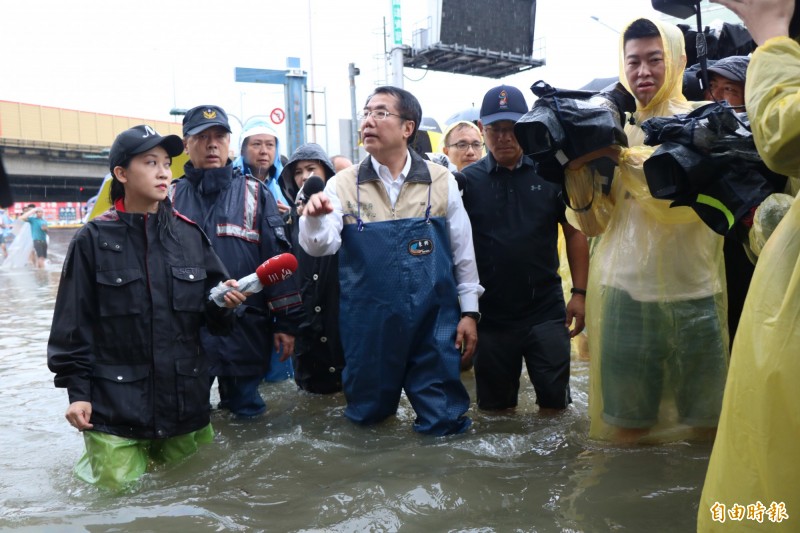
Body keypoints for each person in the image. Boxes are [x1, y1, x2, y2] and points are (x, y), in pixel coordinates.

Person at [47, 125, 247, 491]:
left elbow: (215, 323)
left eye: (167, 163)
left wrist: (226, 305)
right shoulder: (92, 241)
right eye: (150, 162)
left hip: (185, 406)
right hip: (113, 410)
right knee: (117, 505)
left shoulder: (189, 236)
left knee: (191, 500)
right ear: (121, 174)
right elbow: (72, 327)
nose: (163, 172)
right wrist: (78, 393)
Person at [565, 18, 729, 444]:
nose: (643, 72)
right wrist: (577, 170)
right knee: (627, 429)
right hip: (626, 297)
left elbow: (679, 203)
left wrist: (617, 156)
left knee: (706, 428)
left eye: (654, 60)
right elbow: (593, 222)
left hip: (697, 294)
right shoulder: (611, 127)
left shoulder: (706, 123)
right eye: (633, 61)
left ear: (678, 60)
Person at [299, 86, 483, 435]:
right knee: (368, 425)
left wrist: (470, 313)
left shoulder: (441, 181)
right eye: (366, 113)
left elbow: (463, 252)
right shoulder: (342, 184)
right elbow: (320, 247)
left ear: (407, 128)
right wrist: (314, 218)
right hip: (368, 327)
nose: (368, 120)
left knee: (444, 423)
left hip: (434, 324)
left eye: (381, 113)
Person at [699, 0, 800, 529]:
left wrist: (771, 33)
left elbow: (786, 135)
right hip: (753, 296)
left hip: (776, 310)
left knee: (769, 470)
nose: (724, 105)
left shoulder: (778, 123)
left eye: (734, 92)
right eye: (713, 93)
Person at [460, 85, 589, 413]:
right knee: (495, 414)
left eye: (511, 129)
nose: (503, 137)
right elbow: (456, 248)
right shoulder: (466, 183)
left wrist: (579, 293)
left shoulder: (551, 173)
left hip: (545, 313)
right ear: (481, 129)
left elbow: (575, 232)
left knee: (556, 409)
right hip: (491, 318)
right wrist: (464, 312)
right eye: (494, 129)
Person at [170, 105, 303, 419]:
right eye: (202, 137)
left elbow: (277, 259)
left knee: (247, 412)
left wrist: (285, 324)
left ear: (230, 143)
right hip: (187, 329)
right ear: (186, 144)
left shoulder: (257, 194)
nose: (212, 144)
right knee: (188, 415)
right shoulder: (170, 198)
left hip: (244, 324)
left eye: (219, 136)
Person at [278, 143, 345, 394]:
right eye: (298, 172)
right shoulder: (287, 221)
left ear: (326, 173)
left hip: (340, 319)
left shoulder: (342, 213)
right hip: (306, 326)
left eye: (311, 169)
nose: (304, 176)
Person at [232, 118, 295, 382]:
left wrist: (290, 217)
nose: (263, 150)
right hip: (243, 286)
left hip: (279, 282)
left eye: (270, 144)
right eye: (256, 144)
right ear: (243, 149)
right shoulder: (231, 185)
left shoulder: (286, 186)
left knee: (281, 372)